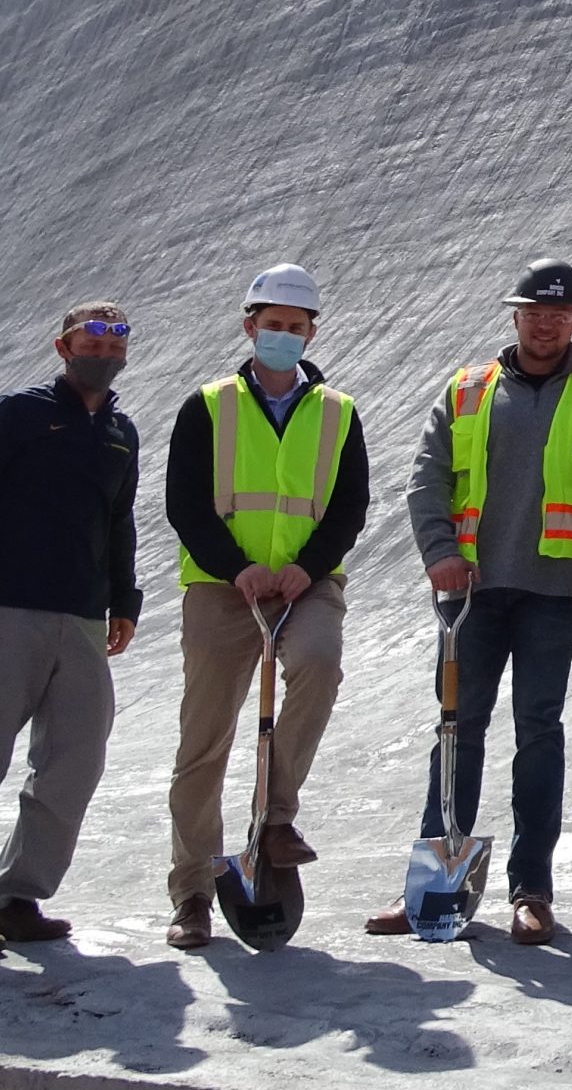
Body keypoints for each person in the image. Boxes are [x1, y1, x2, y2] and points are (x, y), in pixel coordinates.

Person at [363, 258, 572, 945]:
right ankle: (432, 884)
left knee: (539, 732)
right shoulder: (468, 389)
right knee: (457, 728)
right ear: (514, 317)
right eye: (534, 313)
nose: (546, 326)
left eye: (560, 315)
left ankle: (532, 892)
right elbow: (426, 482)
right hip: (472, 593)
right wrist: (440, 555)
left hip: (554, 594)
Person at [160, 264, 371, 950]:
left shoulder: (338, 413)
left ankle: (274, 816)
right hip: (224, 588)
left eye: (295, 326)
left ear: (312, 332)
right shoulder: (208, 406)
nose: (283, 336)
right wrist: (237, 567)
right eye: (271, 325)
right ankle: (192, 892)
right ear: (249, 327)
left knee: (317, 663)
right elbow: (184, 503)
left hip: (308, 585)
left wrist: (305, 570)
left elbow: (348, 506)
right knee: (206, 740)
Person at [0, 302, 142, 959]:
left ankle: (15, 895)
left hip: (80, 615)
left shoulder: (120, 431)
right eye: (91, 338)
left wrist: (124, 599)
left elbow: (119, 520)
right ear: (63, 345)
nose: (103, 349)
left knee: (75, 759)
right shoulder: (19, 412)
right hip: (6, 608)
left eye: (115, 339)